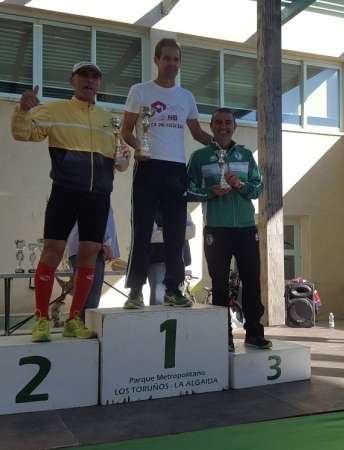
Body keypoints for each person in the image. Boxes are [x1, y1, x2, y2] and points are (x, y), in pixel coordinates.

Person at [12, 61, 129, 342]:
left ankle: (74, 320)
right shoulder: (54, 110)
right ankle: (41, 319)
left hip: (98, 196)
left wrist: (123, 158)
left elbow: (120, 161)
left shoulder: (108, 119)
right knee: (52, 252)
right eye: (83, 76)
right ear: (72, 80)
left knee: (89, 256)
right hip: (65, 191)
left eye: (94, 77)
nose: (89, 81)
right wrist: (22, 110)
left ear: (99, 83)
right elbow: (23, 133)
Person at [121, 38, 213, 309]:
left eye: (176, 59)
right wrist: (138, 146)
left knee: (176, 234)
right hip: (148, 167)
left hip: (176, 170)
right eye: (167, 58)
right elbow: (126, 130)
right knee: (142, 231)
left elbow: (197, 133)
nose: (171, 64)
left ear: (179, 63)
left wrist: (223, 146)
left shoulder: (186, 97)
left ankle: (173, 289)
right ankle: (135, 291)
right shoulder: (140, 91)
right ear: (156, 60)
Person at [186, 108, 271, 351]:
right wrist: (210, 192)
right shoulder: (199, 157)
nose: (223, 127)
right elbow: (187, 190)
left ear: (234, 126)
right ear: (211, 126)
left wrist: (241, 185)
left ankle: (254, 333)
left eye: (228, 123)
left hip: (246, 228)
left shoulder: (246, 155)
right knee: (220, 284)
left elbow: (257, 188)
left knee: (252, 282)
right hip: (217, 229)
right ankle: (223, 337)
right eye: (219, 123)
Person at [66, 207, 120, 311]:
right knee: (90, 301)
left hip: (82, 246)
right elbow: (96, 215)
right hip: (93, 247)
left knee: (84, 297)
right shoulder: (97, 196)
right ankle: (82, 321)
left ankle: (79, 319)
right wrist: (106, 242)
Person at [139, 212, 195, 307]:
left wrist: (163, 230)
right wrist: (177, 231)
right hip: (157, 258)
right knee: (159, 300)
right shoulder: (151, 207)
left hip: (178, 261)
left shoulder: (179, 206)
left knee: (177, 301)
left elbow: (191, 231)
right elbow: (151, 235)